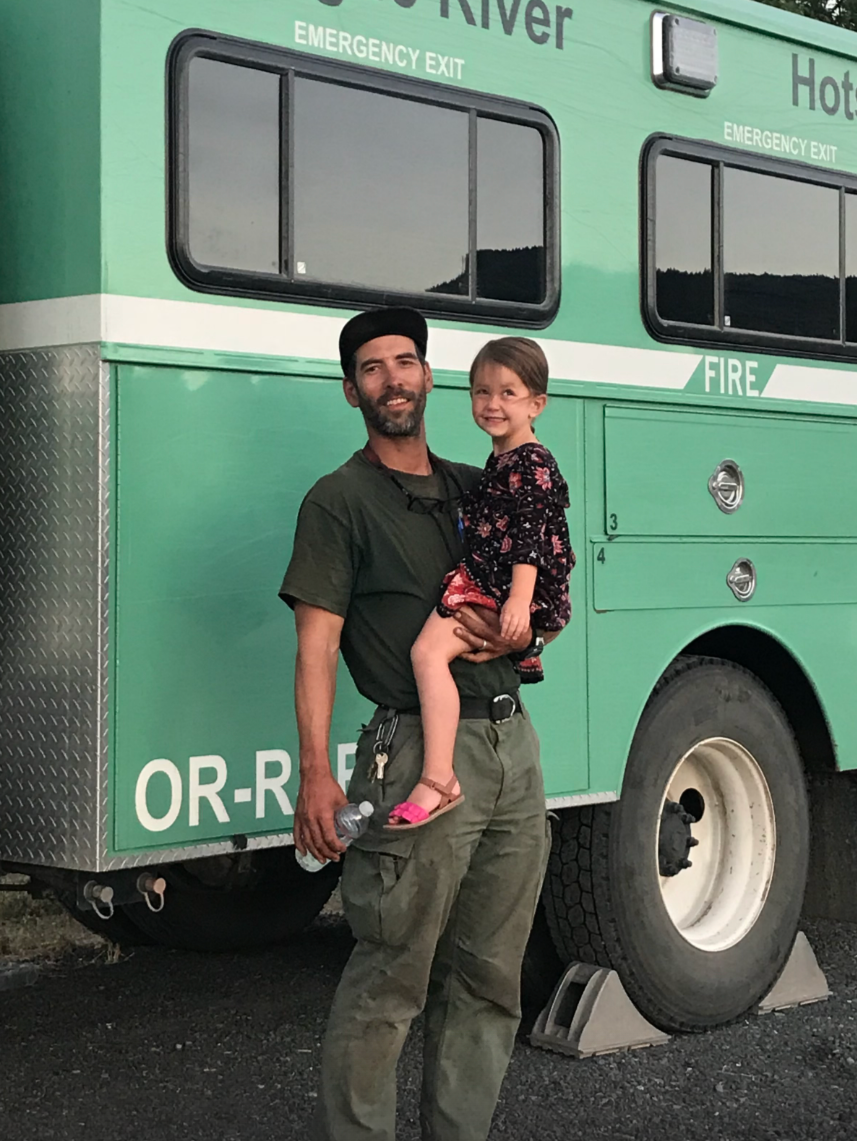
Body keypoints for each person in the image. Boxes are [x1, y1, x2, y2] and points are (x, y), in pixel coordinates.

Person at [280, 306, 561, 1141]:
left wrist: (529, 626)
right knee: (392, 976)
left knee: (488, 980)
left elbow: (542, 587)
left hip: (513, 745)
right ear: (350, 391)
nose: (393, 378)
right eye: (372, 368)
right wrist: (316, 773)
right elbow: (316, 648)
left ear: (429, 377)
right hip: (415, 756)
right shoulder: (339, 501)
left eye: (406, 362)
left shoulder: (484, 485)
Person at [388, 337, 574, 829]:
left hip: (504, 588)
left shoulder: (531, 463)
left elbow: (530, 536)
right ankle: (440, 776)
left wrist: (518, 600)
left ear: (537, 404)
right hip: (495, 583)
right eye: (481, 392)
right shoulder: (503, 461)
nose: (492, 404)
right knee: (431, 656)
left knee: (427, 655)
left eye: (508, 394)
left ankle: (438, 778)